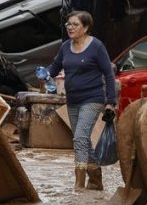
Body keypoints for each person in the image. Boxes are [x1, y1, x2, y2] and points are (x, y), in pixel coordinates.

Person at [45, 11, 116, 191]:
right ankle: (96, 179)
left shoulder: (97, 47)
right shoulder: (65, 47)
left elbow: (108, 74)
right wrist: (46, 74)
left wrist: (111, 102)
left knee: (80, 137)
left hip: (93, 99)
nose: (70, 27)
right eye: (68, 24)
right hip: (73, 101)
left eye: (75, 24)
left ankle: (79, 184)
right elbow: (55, 67)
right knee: (82, 141)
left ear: (85, 28)